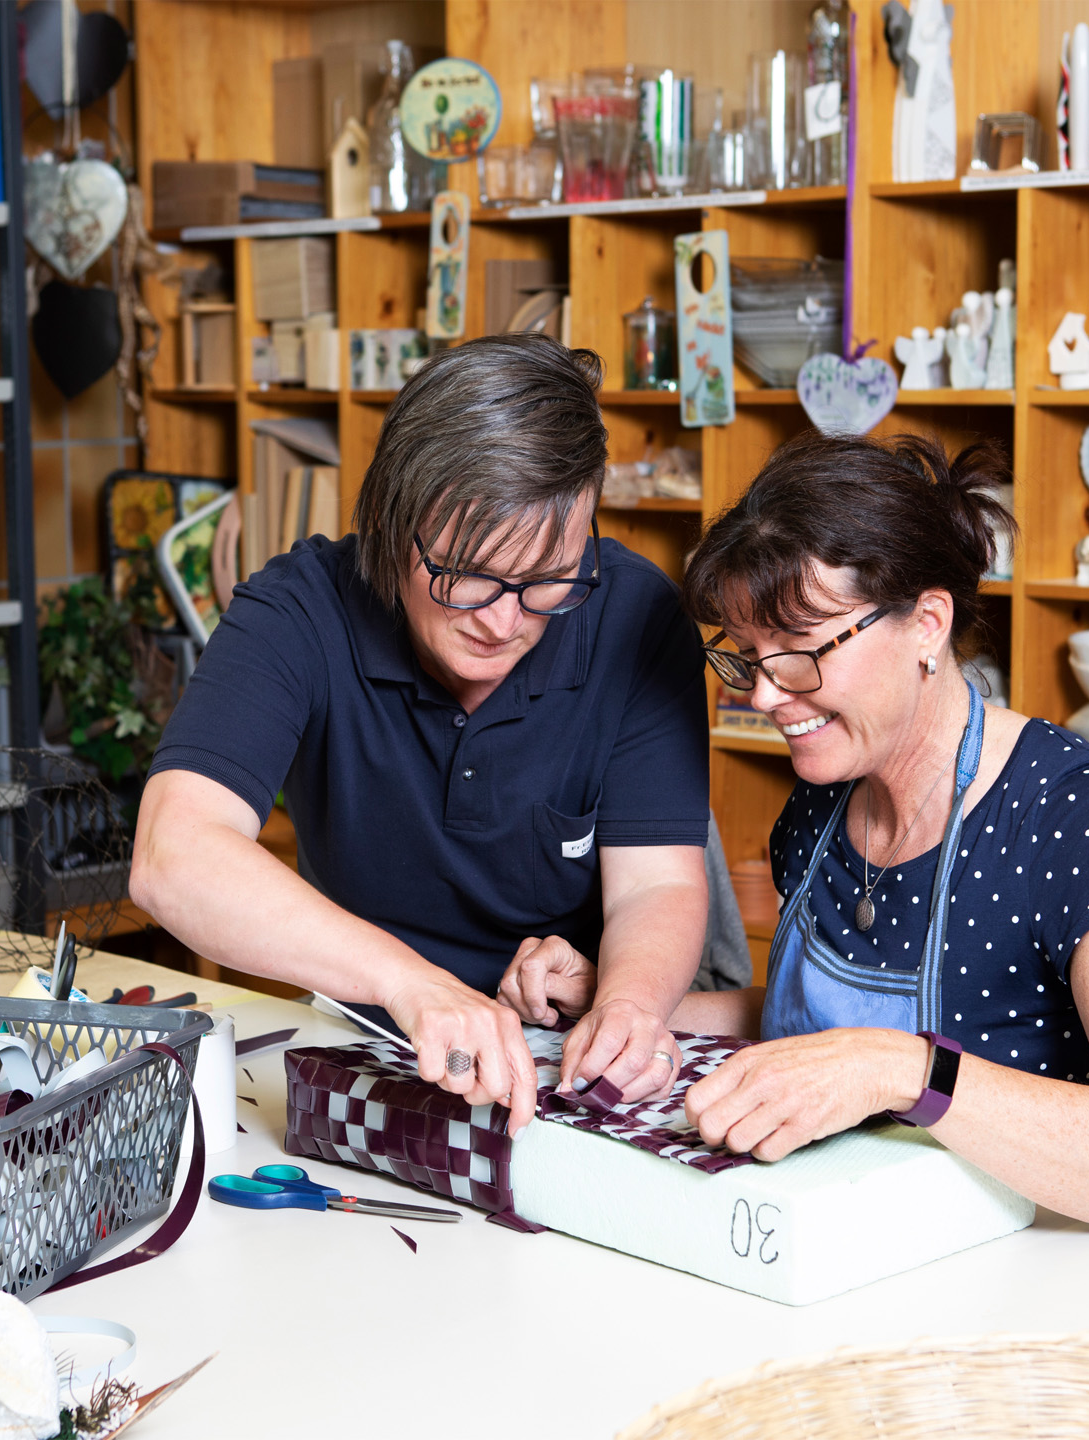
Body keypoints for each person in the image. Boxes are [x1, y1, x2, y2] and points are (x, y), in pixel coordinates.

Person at [525, 431, 1089, 1234]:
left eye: (799, 652)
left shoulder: (1075, 815)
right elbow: (804, 1025)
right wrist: (634, 1007)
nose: (766, 694)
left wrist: (904, 1068)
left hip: (1020, 1273)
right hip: (839, 1244)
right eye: (747, 657)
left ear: (928, 622)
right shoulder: (826, 803)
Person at [131, 335, 711, 1136]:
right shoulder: (298, 611)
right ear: (392, 520)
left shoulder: (636, 620)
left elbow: (658, 886)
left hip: (557, 1064)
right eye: (467, 575)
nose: (505, 622)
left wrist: (627, 1005)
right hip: (370, 1041)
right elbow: (173, 858)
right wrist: (415, 984)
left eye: (546, 582)